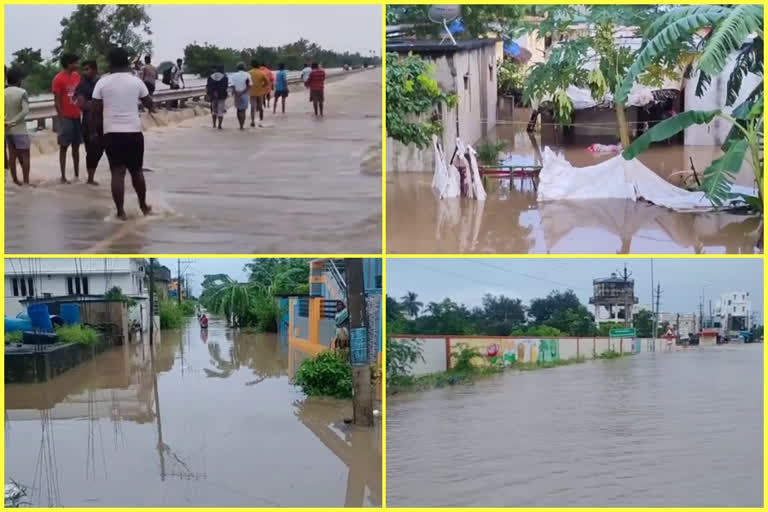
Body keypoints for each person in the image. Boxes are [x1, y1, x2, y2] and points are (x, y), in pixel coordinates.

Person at [91, 48, 154, 220]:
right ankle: (143, 206)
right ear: (127, 62)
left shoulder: (102, 83)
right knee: (136, 171)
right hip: (133, 132)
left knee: (117, 173)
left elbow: (95, 112)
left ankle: (120, 212)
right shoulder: (136, 82)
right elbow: (150, 104)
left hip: (111, 133)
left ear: (110, 63)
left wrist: (96, 134)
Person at [52, 53, 82, 183]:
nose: (77, 65)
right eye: (75, 63)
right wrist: (61, 117)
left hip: (77, 115)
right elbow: (56, 100)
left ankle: (76, 175)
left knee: (76, 146)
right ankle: (63, 176)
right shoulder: (58, 79)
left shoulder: (76, 76)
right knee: (63, 147)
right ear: (69, 64)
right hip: (66, 117)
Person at [74, 60, 103, 185]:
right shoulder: (82, 85)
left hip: (104, 122)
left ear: (95, 70)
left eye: (87, 69)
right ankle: (90, 178)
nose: (85, 72)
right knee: (90, 151)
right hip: (88, 123)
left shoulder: (102, 83)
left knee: (102, 150)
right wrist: (94, 105)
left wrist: (93, 104)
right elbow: (81, 104)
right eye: (84, 69)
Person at [5, 68, 31, 186]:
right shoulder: (22, 92)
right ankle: (26, 182)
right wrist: (13, 121)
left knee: (12, 156)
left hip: (7, 130)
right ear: (19, 80)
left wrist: (6, 122)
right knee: (25, 155)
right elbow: (25, 110)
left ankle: (15, 180)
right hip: (19, 129)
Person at [248, 60, 269, 128]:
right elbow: (267, 82)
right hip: (260, 92)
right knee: (260, 107)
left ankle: (253, 121)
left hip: (252, 92)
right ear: (258, 65)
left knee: (252, 107)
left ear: (251, 65)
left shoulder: (249, 73)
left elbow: (246, 82)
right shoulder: (261, 73)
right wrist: (262, 86)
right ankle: (260, 121)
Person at [206, 65, 228, 129]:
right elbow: (225, 87)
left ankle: (214, 124)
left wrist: (210, 94)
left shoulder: (211, 76)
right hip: (221, 96)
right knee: (220, 111)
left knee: (214, 111)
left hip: (213, 97)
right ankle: (219, 125)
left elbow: (208, 86)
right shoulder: (225, 77)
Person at [230, 62, 251, 130]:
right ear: (244, 68)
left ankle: (240, 125)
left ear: (237, 68)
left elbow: (232, 86)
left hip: (237, 94)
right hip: (244, 94)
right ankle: (242, 125)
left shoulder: (233, 75)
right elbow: (249, 85)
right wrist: (242, 92)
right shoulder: (247, 75)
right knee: (243, 110)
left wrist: (236, 93)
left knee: (238, 110)